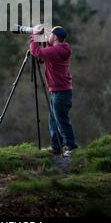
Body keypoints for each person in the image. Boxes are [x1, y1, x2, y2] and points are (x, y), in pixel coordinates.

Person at [29, 25, 77, 156]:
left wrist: (33, 36)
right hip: (60, 91)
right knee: (53, 120)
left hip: (60, 93)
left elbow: (36, 52)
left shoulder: (55, 51)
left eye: (50, 34)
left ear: (55, 37)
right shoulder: (61, 49)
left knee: (61, 120)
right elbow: (46, 50)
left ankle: (72, 147)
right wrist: (42, 37)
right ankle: (56, 146)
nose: (48, 35)